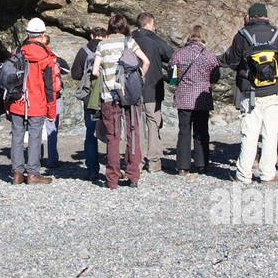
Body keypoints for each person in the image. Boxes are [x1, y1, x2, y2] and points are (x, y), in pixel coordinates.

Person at [221, 3, 278, 186]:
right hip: (273, 91)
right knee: (271, 134)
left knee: (249, 135)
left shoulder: (242, 35)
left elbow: (233, 62)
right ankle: (268, 174)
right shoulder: (277, 34)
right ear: (265, 16)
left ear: (250, 17)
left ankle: (244, 175)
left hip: (250, 92)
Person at [90, 14, 151, 189]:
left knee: (113, 137)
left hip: (109, 96)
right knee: (133, 134)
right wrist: (139, 78)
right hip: (130, 95)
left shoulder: (102, 44)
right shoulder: (129, 42)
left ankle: (112, 180)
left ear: (110, 27)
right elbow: (146, 62)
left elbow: (95, 71)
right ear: (124, 26)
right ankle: (133, 176)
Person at [6, 18, 61, 185]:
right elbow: (50, 86)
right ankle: (33, 173)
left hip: (17, 100)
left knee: (17, 135)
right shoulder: (46, 56)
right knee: (35, 136)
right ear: (42, 34)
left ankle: (17, 173)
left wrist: (6, 104)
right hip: (37, 102)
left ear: (28, 33)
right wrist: (51, 111)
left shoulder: (17, 51)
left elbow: (8, 78)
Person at [169, 26, 219, 174]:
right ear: (203, 37)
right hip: (201, 98)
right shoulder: (209, 56)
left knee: (184, 131)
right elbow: (215, 76)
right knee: (201, 132)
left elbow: (171, 76)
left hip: (184, 97)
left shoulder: (178, 54)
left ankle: (183, 166)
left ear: (189, 36)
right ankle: (201, 164)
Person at [132, 12, 176, 175]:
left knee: (136, 125)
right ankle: (154, 162)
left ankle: (137, 161)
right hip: (152, 87)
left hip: (132, 89)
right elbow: (172, 57)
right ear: (149, 24)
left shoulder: (129, 40)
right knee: (153, 122)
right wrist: (171, 80)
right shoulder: (155, 41)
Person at [71, 23, 108, 181]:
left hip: (89, 97)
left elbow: (75, 74)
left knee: (90, 134)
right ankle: (113, 168)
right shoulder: (107, 50)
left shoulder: (83, 51)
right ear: (105, 37)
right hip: (107, 95)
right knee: (112, 133)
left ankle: (92, 169)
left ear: (91, 36)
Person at [39, 32, 67, 168]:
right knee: (52, 127)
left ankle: (36, 158)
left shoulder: (31, 55)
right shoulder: (54, 56)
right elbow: (67, 70)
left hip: (38, 96)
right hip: (55, 96)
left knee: (36, 127)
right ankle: (52, 159)